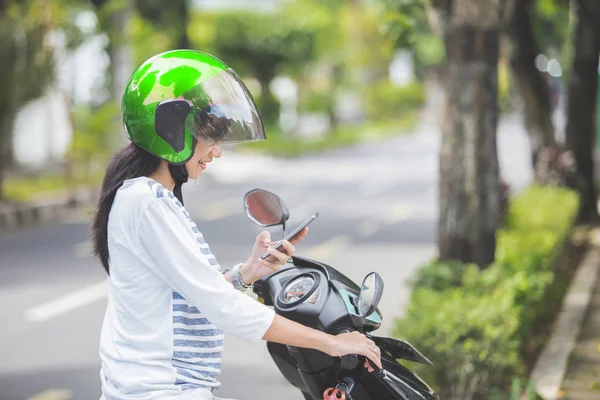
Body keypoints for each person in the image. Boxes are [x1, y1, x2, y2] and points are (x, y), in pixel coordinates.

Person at [91, 49, 381, 400]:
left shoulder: (146, 198)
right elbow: (221, 307)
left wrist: (247, 273)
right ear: (171, 130)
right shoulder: (146, 202)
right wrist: (330, 343)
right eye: (211, 138)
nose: (217, 152)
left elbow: (187, 293)